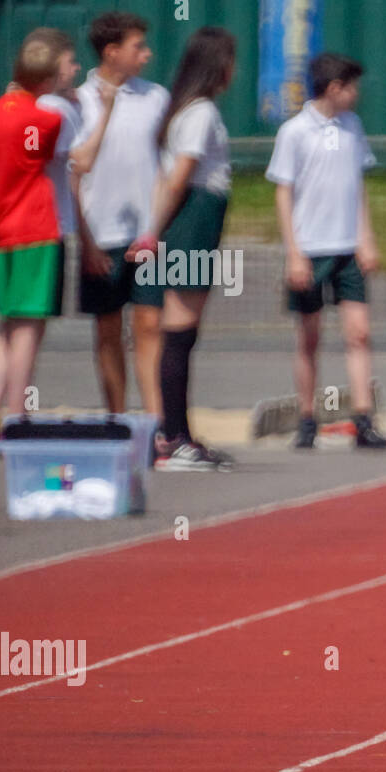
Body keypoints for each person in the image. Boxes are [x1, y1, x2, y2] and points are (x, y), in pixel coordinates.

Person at [266, 52, 386, 450]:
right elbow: (283, 193)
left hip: (347, 249)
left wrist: (365, 237)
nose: (356, 95)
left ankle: (364, 419)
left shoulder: (353, 127)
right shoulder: (295, 131)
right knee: (309, 337)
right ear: (335, 88)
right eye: (351, 86)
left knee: (359, 334)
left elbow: (357, 187)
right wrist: (294, 252)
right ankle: (306, 419)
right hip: (311, 248)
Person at [127, 27, 237, 470]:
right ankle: (173, 437)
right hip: (194, 221)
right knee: (180, 332)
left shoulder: (184, 110)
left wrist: (153, 231)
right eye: (230, 61)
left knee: (180, 332)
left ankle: (176, 433)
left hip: (193, 220)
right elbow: (178, 179)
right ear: (217, 66)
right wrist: (152, 233)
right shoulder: (201, 112)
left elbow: (167, 177)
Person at [72, 12, 169, 419]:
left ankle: (157, 423)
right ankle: (116, 418)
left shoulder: (157, 98)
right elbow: (72, 176)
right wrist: (87, 243)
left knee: (150, 325)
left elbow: (168, 169)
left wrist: (156, 230)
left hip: (148, 235)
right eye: (137, 47)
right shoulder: (77, 102)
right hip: (101, 236)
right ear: (111, 52)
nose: (146, 55)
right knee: (107, 331)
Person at [0, 29, 68, 450]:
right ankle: (18, 415)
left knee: (6, 323)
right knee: (28, 329)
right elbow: (54, 155)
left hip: (0, 229)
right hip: (36, 228)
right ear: (48, 80)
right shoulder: (48, 118)